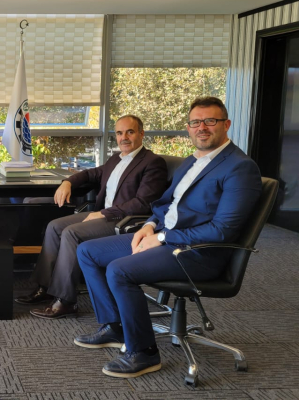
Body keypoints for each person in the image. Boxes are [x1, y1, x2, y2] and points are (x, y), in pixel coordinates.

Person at [75, 97, 262, 378]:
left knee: (119, 270)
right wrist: (149, 226)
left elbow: (223, 230)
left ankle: (144, 353)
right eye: (195, 122)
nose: (202, 128)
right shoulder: (191, 161)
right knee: (88, 251)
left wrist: (162, 237)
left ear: (226, 124)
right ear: (188, 127)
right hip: (166, 238)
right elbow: (165, 204)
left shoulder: (239, 167)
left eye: (210, 121)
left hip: (198, 252)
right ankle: (115, 326)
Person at [15, 115, 168, 320]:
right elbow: (90, 174)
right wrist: (68, 182)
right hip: (104, 214)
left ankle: (65, 301)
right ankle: (45, 287)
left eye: (130, 132)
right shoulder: (116, 159)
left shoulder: (152, 162)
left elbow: (143, 203)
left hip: (125, 220)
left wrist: (103, 213)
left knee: (71, 233)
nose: (124, 137)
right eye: (119, 133)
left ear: (141, 133)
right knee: (54, 226)